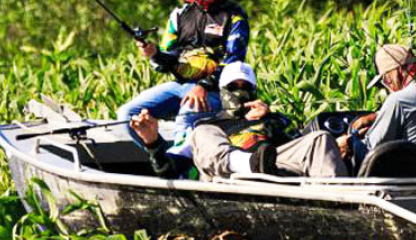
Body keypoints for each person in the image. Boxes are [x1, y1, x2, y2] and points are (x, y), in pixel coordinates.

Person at [117, 0, 250, 155]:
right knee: (127, 114)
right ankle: (164, 157)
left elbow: (233, 61)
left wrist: (203, 86)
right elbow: (164, 61)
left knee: (187, 113)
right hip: (181, 85)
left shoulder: (235, 16)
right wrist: (154, 54)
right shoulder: (179, 15)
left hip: (217, 91)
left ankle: (179, 167)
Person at [130, 62, 347, 180]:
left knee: (320, 138)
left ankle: (341, 209)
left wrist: (272, 120)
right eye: (234, 88)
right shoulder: (210, 125)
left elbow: (300, 145)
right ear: (222, 92)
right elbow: (168, 169)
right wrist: (152, 141)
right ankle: (249, 165)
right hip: (229, 179)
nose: (240, 93)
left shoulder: (271, 118)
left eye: (246, 88)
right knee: (202, 131)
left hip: (276, 169)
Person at [339, 44, 416, 176]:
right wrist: (378, 116)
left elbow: (369, 150)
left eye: (384, 81)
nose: (387, 86)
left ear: (395, 73)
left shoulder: (398, 100)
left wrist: (349, 141)